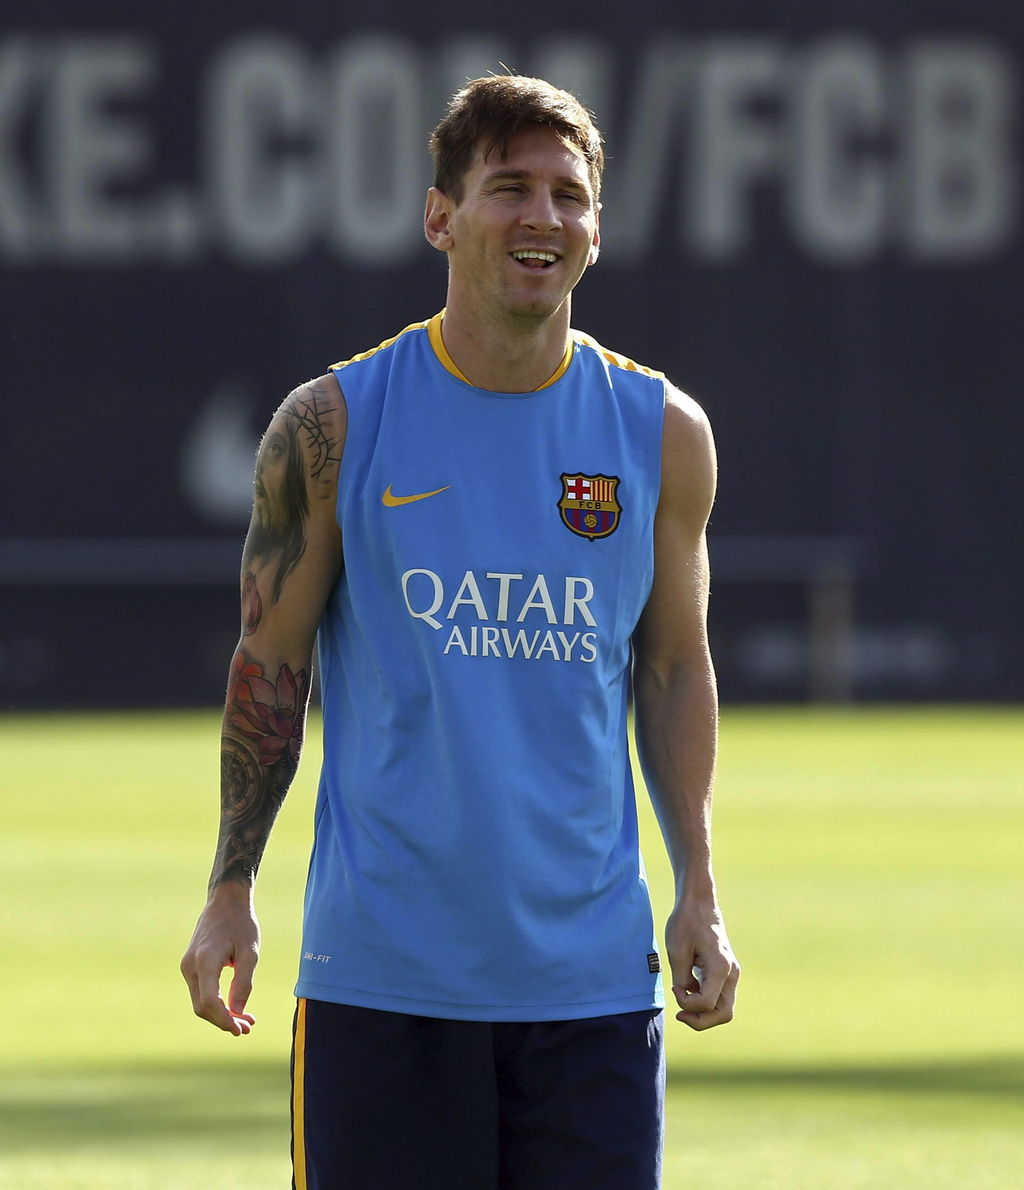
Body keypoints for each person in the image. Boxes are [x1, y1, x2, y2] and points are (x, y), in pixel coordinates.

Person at [181, 74, 739, 1190]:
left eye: (569, 195)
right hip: (382, 980)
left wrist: (698, 884)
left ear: (596, 231)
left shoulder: (662, 431)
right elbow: (270, 664)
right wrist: (231, 886)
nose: (543, 216)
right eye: (510, 188)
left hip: (591, 987)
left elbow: (675, 666)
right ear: (440, 217)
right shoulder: (334, 423)